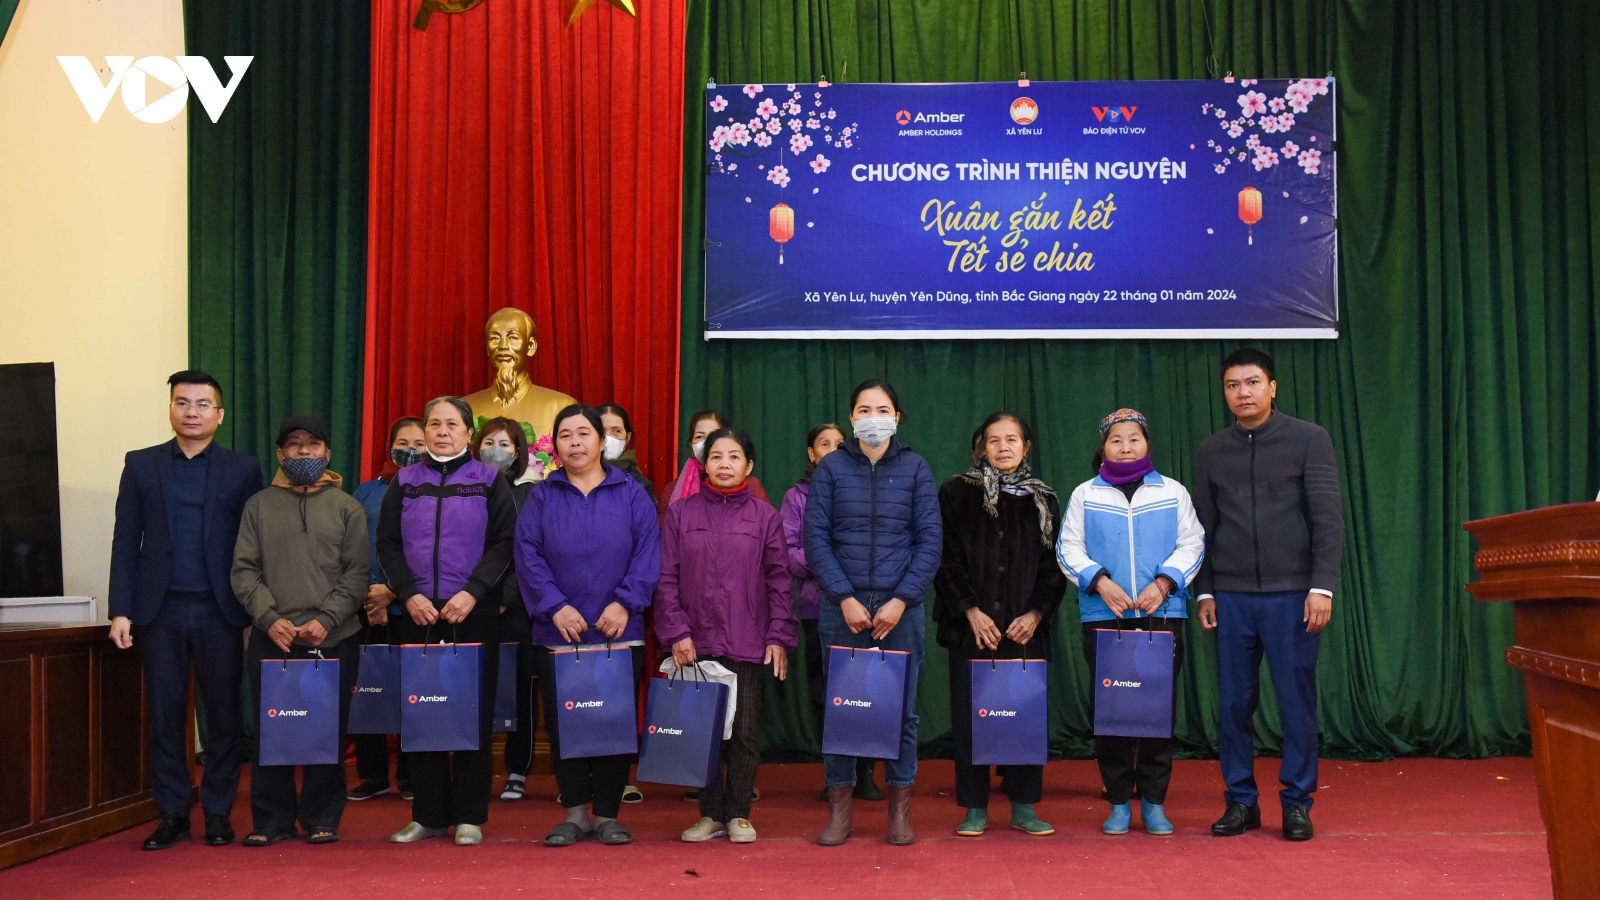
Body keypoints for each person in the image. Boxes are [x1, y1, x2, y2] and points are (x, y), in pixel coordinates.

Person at [1191, 349, 1344, 842]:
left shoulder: (1309, 439)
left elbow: (1327, 520)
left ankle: (1297, 802)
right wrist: (1205, 591)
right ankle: (1241, 801)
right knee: (1234, 705)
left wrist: (1321, 587)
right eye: (1233, 385)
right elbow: (1202, 529)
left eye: (1253, 382)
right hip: (1230, 597)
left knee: (1296, 704)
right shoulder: (1211, 450)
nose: (1244, 393)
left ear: (1272, 387)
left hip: (1293, 596)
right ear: (1225, 393)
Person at [107, 370, 262, 850]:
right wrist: (120, 610)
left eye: (201, 404)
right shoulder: (141, 464)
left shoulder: (243, 469)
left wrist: (253, 613)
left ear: (219, 414)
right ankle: (172, 811)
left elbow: (253, 545)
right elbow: (125, 541)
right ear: (171, 408)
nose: (191, 412)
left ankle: (217, 811)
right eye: (182, 403)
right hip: (160, 611)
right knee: (166, 715)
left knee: (223, 716)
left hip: (221, 611)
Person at [805, 379, 942, 846]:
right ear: (852, 418)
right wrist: (843, 597)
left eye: (883, 409)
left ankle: (898, 814)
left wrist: (901, 599)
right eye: (864, 409)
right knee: (842, 710)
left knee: (902, 712)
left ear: (897, 418)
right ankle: (840, 815)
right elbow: (815, 539)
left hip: (900, 610)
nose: (873, 417)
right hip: (840, 609)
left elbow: (930, 541)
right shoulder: (831, 468)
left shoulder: (916, 468)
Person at [1056, 408, 1204, 837]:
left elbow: (1193, 542)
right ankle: (1119, 801)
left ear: (1147, 444)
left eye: (1133, 438)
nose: (1125, 446)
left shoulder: (1172, 492)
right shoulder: (1085, 494)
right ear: (1103, 447)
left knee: (1157, 712)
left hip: (1163, 616)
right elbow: (1068, 547)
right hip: (1106, 618)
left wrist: (1164, 583)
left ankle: (1154, 803)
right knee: (1112, 713)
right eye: (1116, 439)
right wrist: (1101, 583)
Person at [516, 404, 660, 847]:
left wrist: (625, 603)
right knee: (566, 723)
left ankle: (608, 814)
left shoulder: (631, 493)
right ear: (555, 445)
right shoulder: (542, 496)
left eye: (584, 433)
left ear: (602, 441)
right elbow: (527, 555)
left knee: (614, 723)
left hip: (618, 630)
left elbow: (648, 552)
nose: (575, 442)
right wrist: (555, 607)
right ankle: (575, 813)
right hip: (560, 631)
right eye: (565, 435)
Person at [377, 397, 515, 846]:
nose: (441, 431)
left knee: (473, 714)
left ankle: (470, 815)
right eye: (434, 423)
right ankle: (428, 814)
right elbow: (387, 543)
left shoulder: (489, 480)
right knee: (423, 713)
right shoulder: (404, 482)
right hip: (418, 613)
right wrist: (408, 594)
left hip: (472, 613)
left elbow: (505, 542)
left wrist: (472, 592)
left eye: (451, 424)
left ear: (468, 433)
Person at [231, 415, 368, 845]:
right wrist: (270, 619)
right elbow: (244, 571)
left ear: (327, 454)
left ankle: (322, 817)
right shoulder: (258, 506)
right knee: (272, 728)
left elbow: (357, 574)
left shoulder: (347, 507)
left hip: (334, 637)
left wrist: (326, 620)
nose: (303, 450)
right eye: (294, 443)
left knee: (328, 729)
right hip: (274, 637)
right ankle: (271, 820)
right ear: (280, 454)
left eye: (313, 443)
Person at [656, 427, 797, 844]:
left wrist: (777, 636)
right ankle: (709, 813)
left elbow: (780, 582)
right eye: (716, 456)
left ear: (748, 466)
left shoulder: (766, 518)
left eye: (734, 457)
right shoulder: (681, 514)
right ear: (704, 465)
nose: (724, 464)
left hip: (747, 638)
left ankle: (738, 813)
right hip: (694, 640)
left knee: (745, 732)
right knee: (701, 731)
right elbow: (666, 578)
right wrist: (677, 631)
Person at [935, 412, 1066, 838]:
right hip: (972, 627)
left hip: (1025, 629)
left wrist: (1036, 614)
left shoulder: (1043, 499)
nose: (1003, 447)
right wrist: (971, 611)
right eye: (994, 440)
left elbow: (1054, 568)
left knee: (1024, 715)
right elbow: (946, 561)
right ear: (981, 448)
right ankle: (974, 808)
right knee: (971, 718)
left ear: (1026, 447)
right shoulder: (956, 493)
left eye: (1012, 439)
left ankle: (1024, 806)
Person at [347, 417, 424, 802]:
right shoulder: (366, 492)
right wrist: (369, 596)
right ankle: (373, 775)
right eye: (402, 442)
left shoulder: (434, 491)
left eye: (418, 443)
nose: (409, 449)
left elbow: (430, 551)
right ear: (390, 446)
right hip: (365, 607)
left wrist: (392, 592)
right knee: (369, 692)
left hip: (412, 608)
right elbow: (351, 546)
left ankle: (411, 776)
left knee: (414, 694)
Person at [780, 423, 853, 802]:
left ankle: (866, 772)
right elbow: (790, 554)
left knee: (865, 690)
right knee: (826, 694)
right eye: (825, 444)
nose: (833, 449)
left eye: (840, 443)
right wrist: (829, 559)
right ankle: (836, 776)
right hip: (817, 608)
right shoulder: (796, 497)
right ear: (812, 454)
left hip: (864, 606)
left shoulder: (862, 488)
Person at [473, 417, 540, 803]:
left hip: (515, 607)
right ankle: (472, 767)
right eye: (488, 442)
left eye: (504, 444)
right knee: (474, 687)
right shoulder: (466, 488)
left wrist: (504, 598)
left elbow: (530, 553)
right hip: (471, 604)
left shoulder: (531, 493)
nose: (494, 450)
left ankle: (518, 770)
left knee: (521, 689)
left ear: (517, 453)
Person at [658, 409, 770, 516]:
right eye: (699, 436)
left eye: (714, 435)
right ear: (690, 444)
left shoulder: (752, 486)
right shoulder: (673, 489)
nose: (707, 442)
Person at [598, 403, 656, 502]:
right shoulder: (575, 477)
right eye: (601, 431)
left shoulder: (640, 484)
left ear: (627, 438)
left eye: (616, 431)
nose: (607, 438)